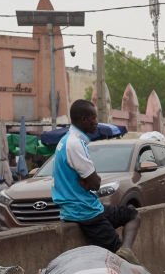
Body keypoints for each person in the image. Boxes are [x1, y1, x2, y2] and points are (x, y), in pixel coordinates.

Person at [53, 100, 141, 264]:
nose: (96, 122)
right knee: (120, 261)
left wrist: (89, 180)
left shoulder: (70, 140)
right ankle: (122, 256)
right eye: (93, 118)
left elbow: (90, 181)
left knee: (132, 214)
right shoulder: (74, 144)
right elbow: (95, 183)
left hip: (87, 207)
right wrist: (90, 180)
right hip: (84, 212)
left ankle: (126, 250)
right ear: (84, 119)